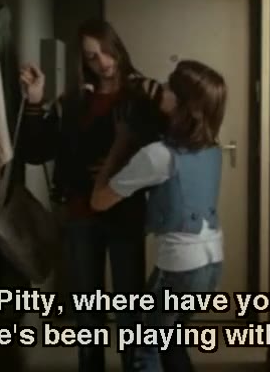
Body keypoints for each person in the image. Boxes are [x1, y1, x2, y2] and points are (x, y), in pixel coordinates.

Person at [18, 18, 163, 372]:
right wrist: (35, 101)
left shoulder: (142, 96)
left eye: (106, 51)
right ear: (83, 60)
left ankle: (134, 367)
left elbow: (162, 153)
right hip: (81, 213)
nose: (103, 62)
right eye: (91, 56)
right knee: (87, 309)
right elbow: (35, 152)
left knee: (129, 306)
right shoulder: (73, 101)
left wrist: (122, 168)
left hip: (125, 211)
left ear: (117, 47)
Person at [91, 60, 228, 372]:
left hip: (181, 267)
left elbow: (99, 201)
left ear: (183, 104)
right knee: (171, 341)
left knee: (145, 350)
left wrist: (120, 142)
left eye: (169, 87)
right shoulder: (212, 149)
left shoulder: (158, 156)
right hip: (211, 265)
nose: (162, 89)